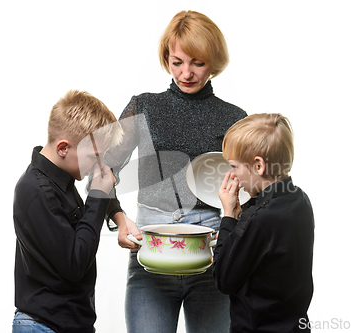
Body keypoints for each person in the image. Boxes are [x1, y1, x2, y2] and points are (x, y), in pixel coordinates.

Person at [103, 10, 248, 333]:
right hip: (152, 248)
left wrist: (233, 226)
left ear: (214, 61)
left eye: (198, 62)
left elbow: (253, 188)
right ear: (166, 57)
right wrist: (118, 217)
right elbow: (103, 169)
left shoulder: (234, 117)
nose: (186, 73)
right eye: (177, 61)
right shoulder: (144, 106)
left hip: (211, 253)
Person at [12, 90, 123, 333]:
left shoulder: (61, 182)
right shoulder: (36, 191)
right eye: (95, 156)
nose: (100, 165)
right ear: (63, 148)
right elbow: (75, 263)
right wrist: (98, 195)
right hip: (45, 326)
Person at [212, 113, 315, 332]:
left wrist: (229, 216)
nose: (233, 176)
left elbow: (223, 279)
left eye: (234, 167)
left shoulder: (259, 218)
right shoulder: (300, 200)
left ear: (258, 166)